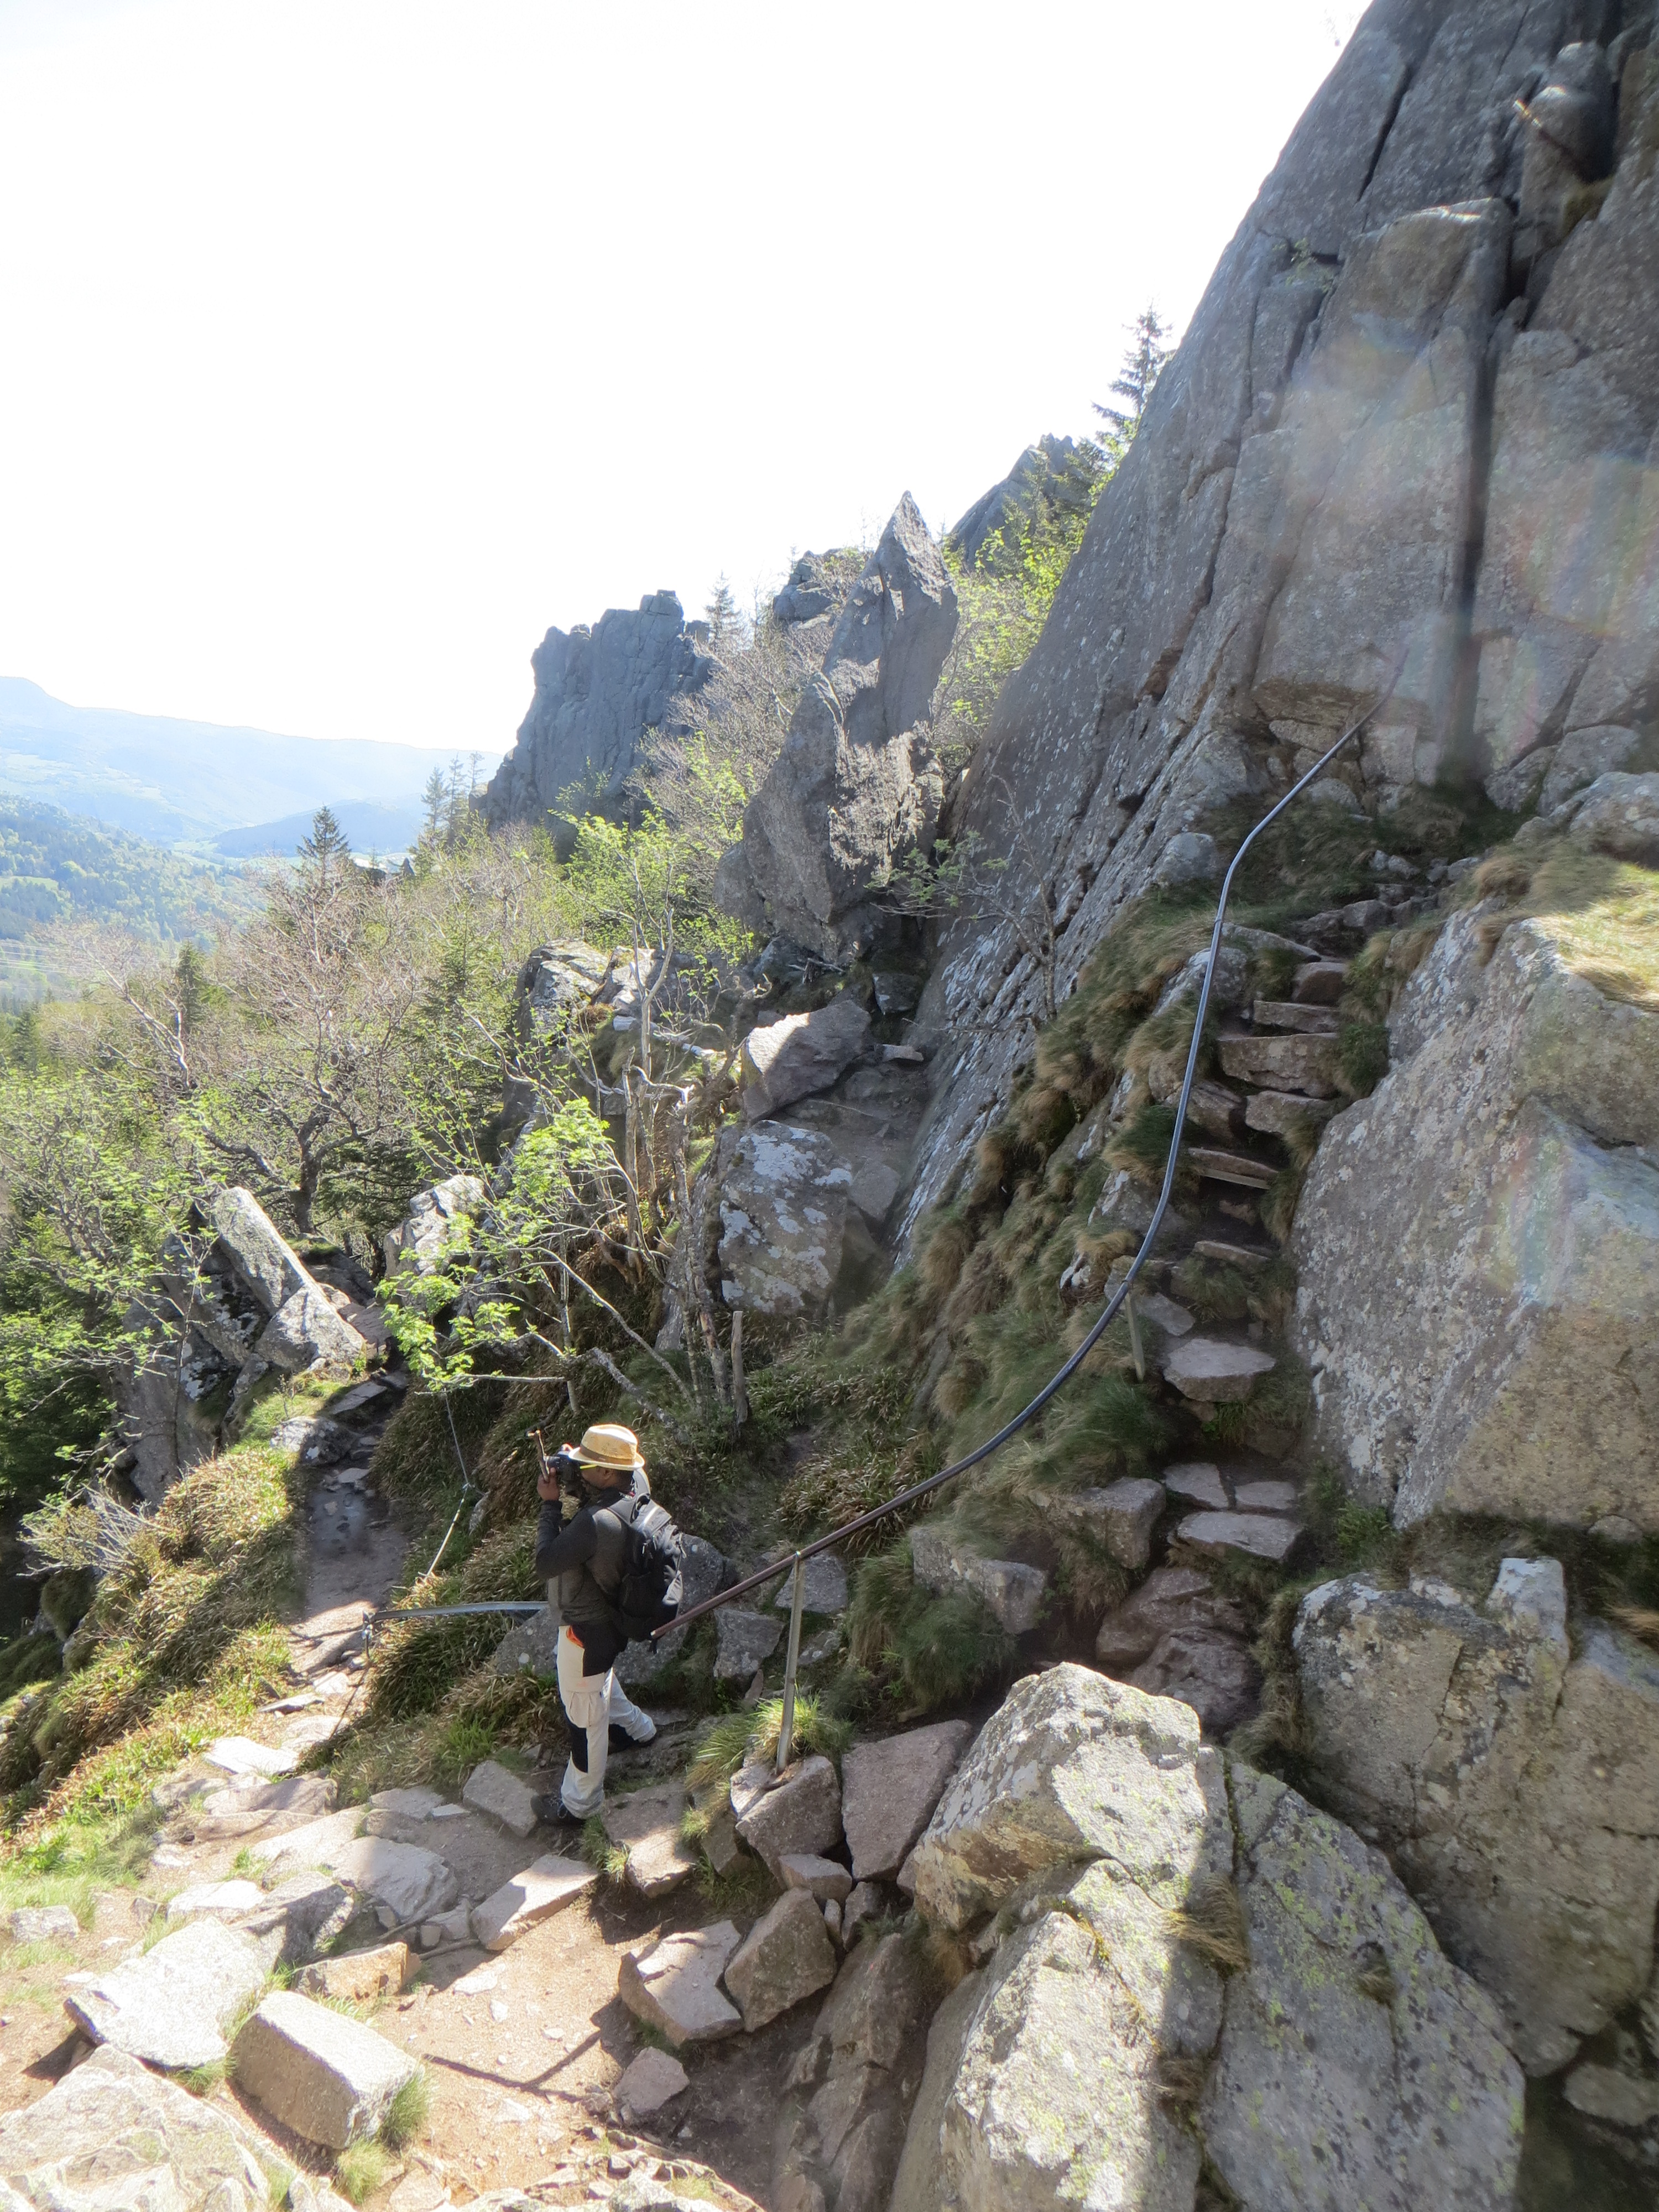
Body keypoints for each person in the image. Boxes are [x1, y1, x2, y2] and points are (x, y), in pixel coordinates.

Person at [528, 1422, 658, 1830]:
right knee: (598, 1685)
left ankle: (580, 1804)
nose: (580, 1467)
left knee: (585, 1717)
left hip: (585, 1632)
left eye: (587, 1463)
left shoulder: (593, 1524)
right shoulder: (636, 1485)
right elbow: (600, 1494)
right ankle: (638, 1730)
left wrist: (550, 1505)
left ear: (605, 1472)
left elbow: (545, 1562)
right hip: (613, 1623)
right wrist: (575, 1467)